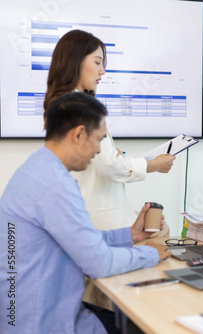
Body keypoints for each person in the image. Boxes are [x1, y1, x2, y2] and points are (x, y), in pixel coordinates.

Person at [0, 92, 171, 334]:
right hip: (43, 323)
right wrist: (149, 253)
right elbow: (99, 262)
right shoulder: (55, 185)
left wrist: (129, 234)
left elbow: (77, 241)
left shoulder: (38, 168)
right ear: (79, 134)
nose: (99, 151)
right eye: (99, 140)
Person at [44, 29, 174, 234]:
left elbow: (99, 160)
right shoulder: (80, 106)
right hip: (99, 220)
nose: (102, 71)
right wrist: (153, 165)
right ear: (75, 61)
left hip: (82, 213)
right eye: (97, 62)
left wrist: (109, 152)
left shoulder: (62, 103)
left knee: (159, 228)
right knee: (162, 230)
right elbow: (109, 164)